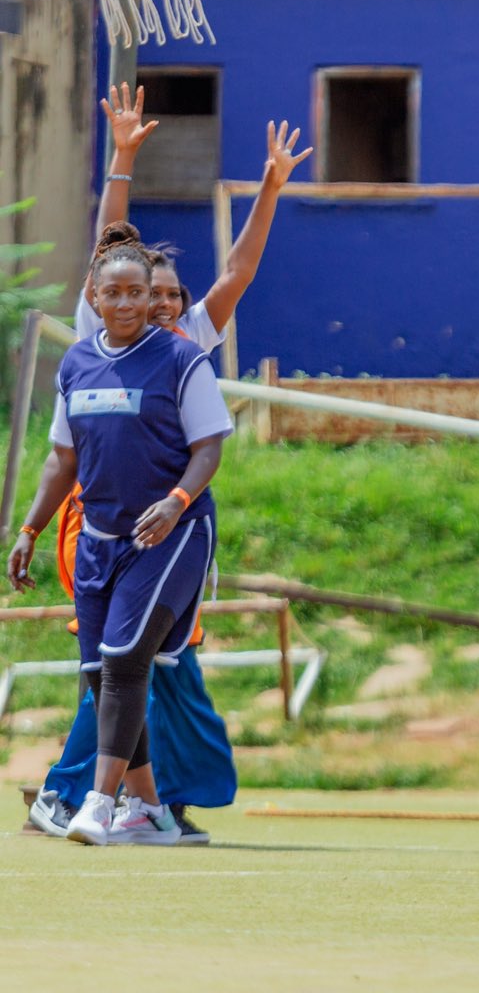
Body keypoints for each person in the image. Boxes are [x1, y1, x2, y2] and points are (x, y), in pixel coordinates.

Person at [28, 86, 311, 843]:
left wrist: (272, 188)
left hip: (171, 520)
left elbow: (240, 271)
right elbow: (105, 249)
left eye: (165, 296)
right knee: (118, 665)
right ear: (113, 295)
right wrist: (122, 157)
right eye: (138, 291)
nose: (153, 303)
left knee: (134, 663)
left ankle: (119, 798)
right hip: (100, 522)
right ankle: (102, 795)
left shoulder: (186, 343)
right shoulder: (101, 333)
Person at [8, 241, 234, 846]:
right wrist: (30, 528)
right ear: (94, 296)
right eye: (116, 292)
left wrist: (176, 501)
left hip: (172, 532)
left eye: (140, 291)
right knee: (96, 673)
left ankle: (99, 805)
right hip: (99, 540)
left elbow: (208, 447)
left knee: (126, 658)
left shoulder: (183, 359)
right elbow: (63, 459)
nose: (130, 302)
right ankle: (154, 812)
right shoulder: (78, 364)